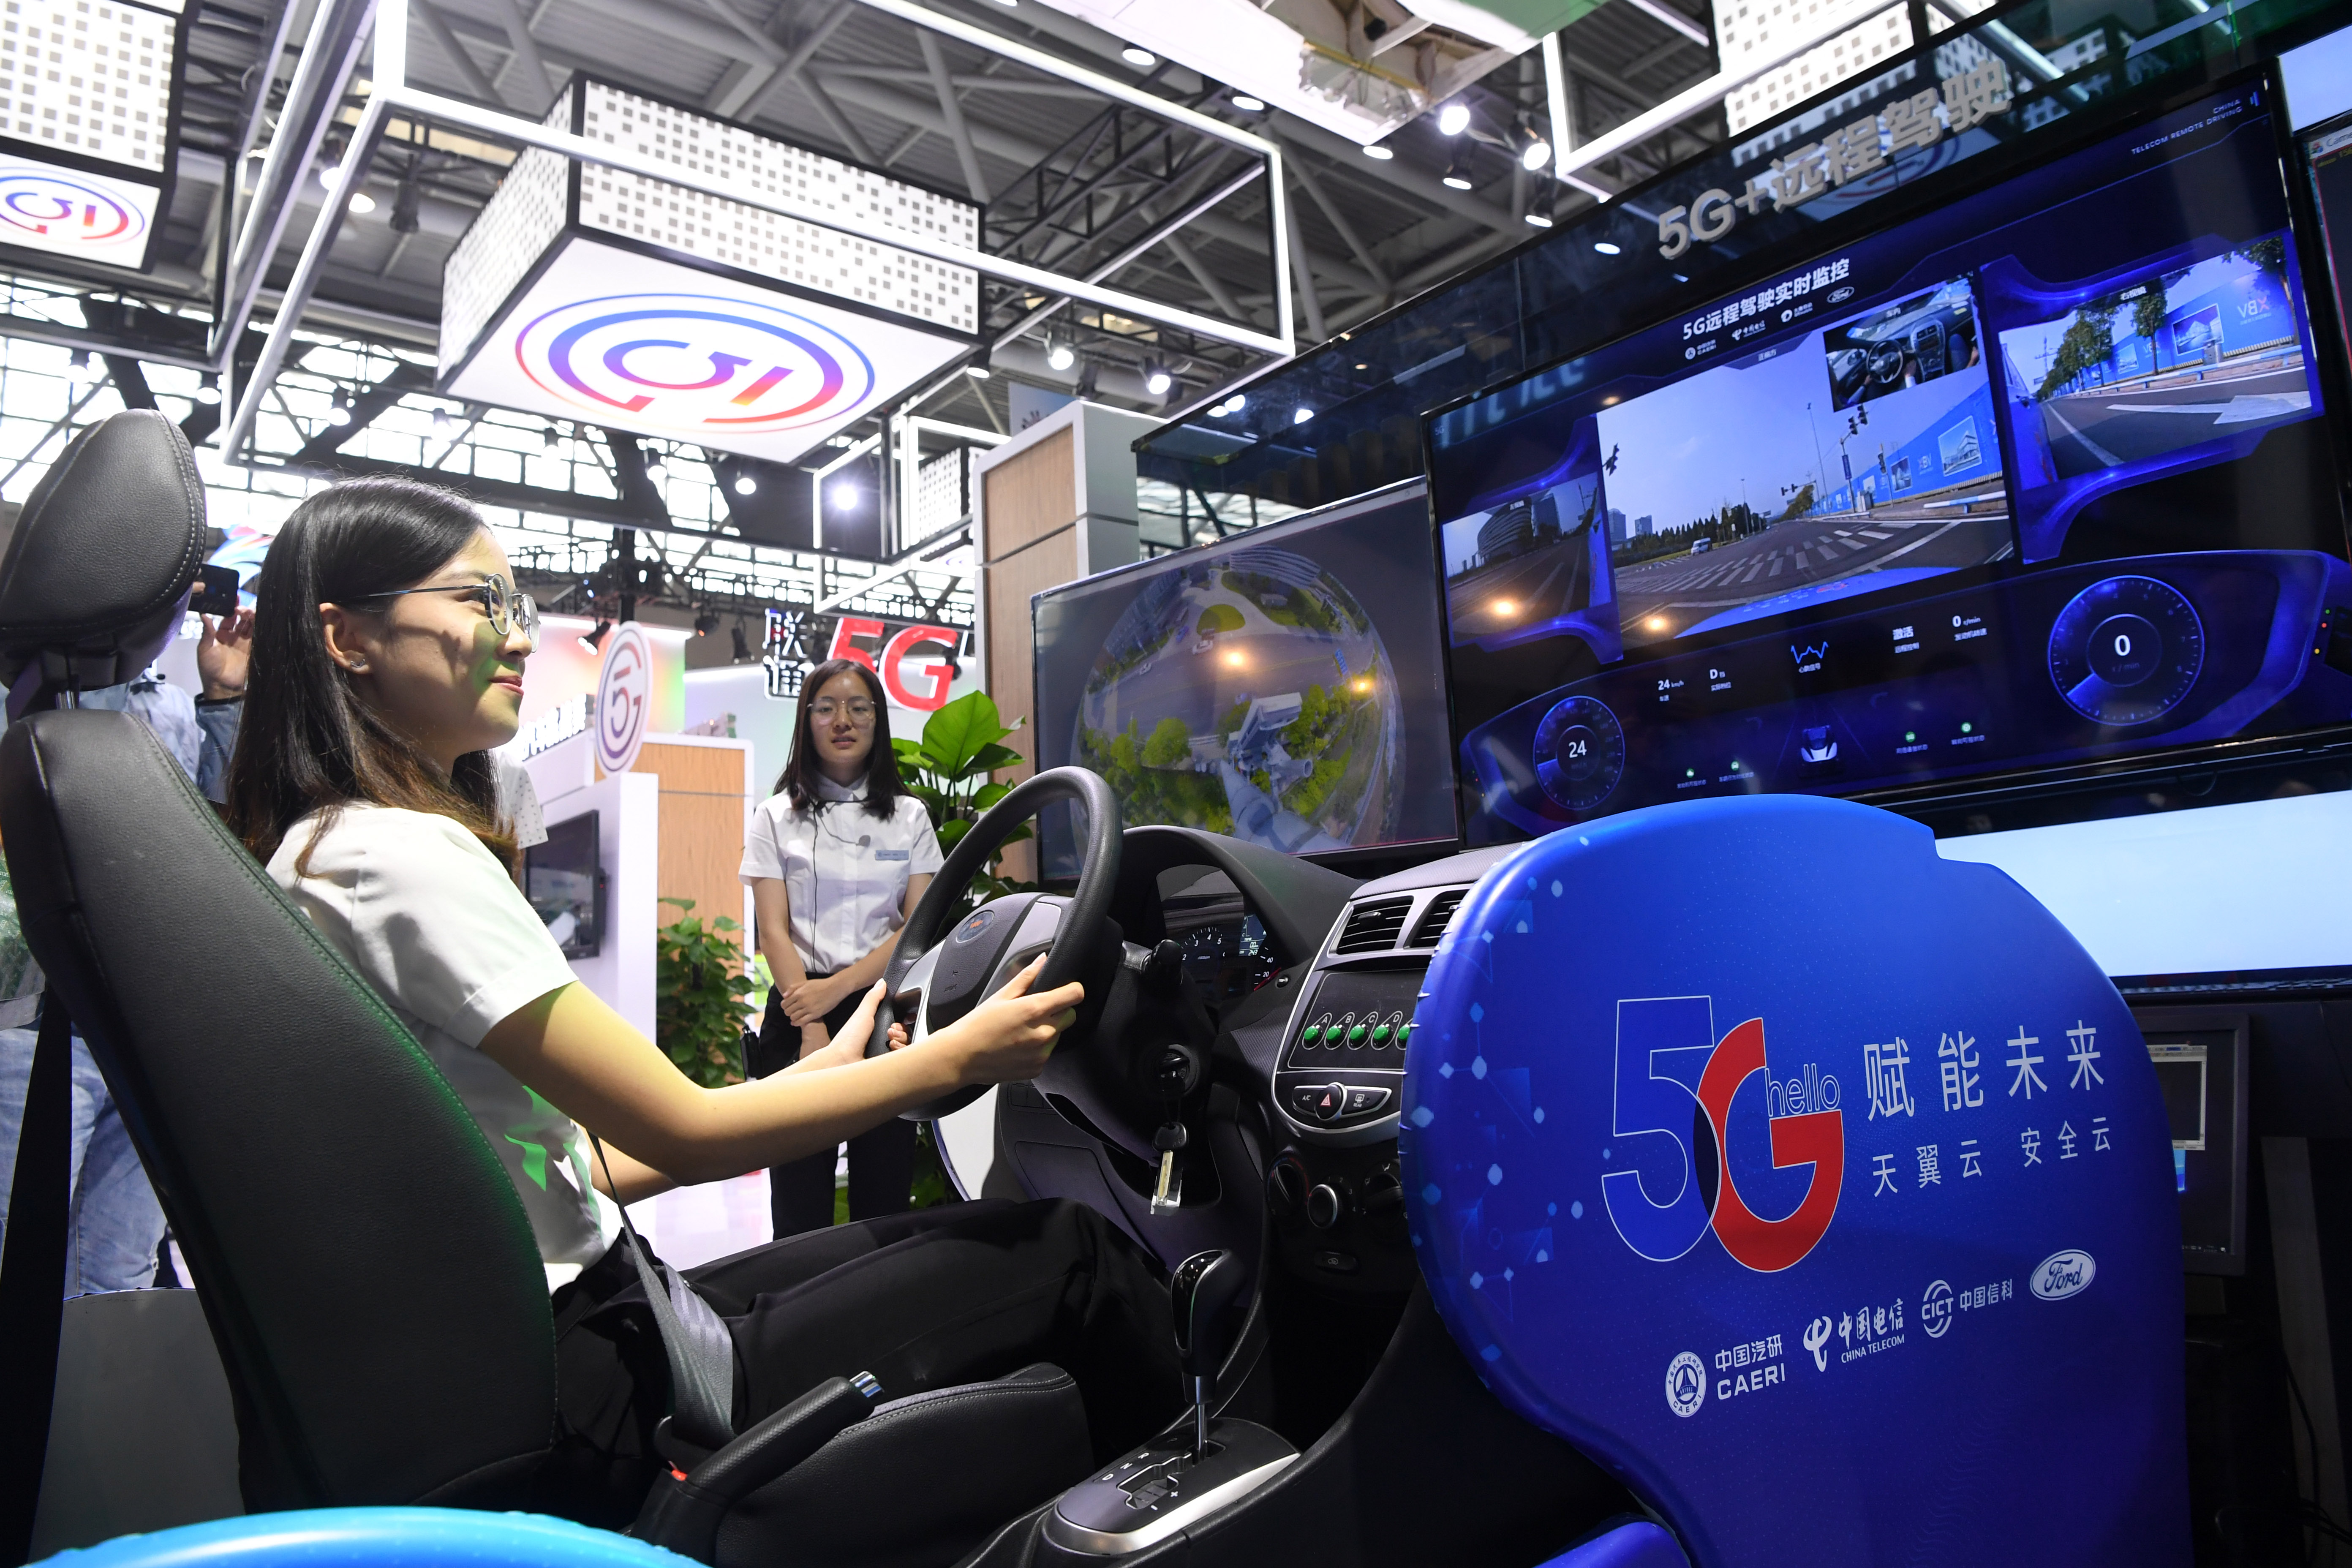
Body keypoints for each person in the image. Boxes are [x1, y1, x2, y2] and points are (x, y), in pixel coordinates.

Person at [223, 479, 1178, 1526]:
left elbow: (572, 1159)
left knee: (942, 1236)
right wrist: (955, 1058)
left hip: (579, 1320)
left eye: (518, 606)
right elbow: (684, 1128)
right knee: (1072, 1254)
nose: (519, 635)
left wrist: (842, 1058)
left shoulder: (324, 851)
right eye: (479, 601)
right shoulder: (398, 854)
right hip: (596, 1370)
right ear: (347, 637)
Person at [0, 610, 252, 1293]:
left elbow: (215, 833)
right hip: (28, 1018)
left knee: (117, 1263)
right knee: (16, 1250)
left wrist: (224, 699)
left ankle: (98, 1371)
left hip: (148, 1024)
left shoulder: (166, 706)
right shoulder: (17, 691)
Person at [742, 657, 940, 1238]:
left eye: (858, 708)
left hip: (883, 1011)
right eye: (826, 708)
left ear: (878, 720)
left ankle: (878, 1290)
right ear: (807, 722)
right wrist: (811, 1021)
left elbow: (916, 927)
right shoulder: (775, 816)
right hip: (796, 1007)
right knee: (798, 1193)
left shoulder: (910, 817)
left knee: (884, 1185)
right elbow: (772, 931)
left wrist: (842, 990)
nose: (843, 721)